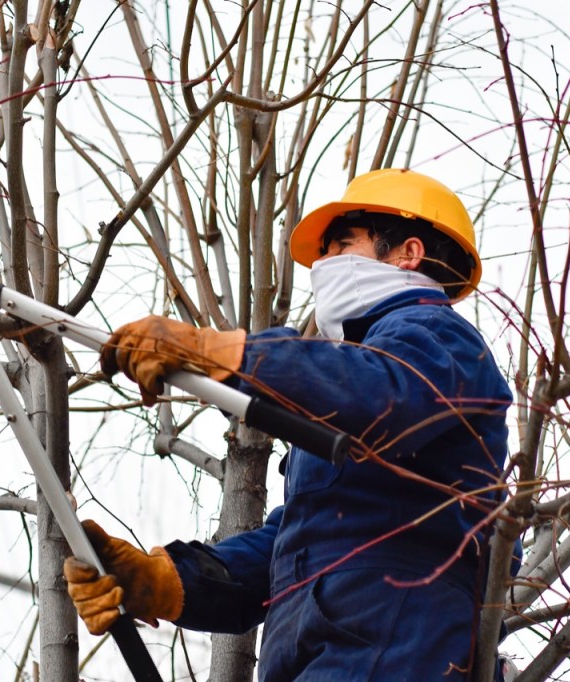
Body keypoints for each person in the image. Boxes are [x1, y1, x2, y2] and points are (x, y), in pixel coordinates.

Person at [64, 168, 517, 681]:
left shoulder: (439, 338)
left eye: (343, 244)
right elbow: (295, 545)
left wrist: (227, 354)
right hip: (324, 652)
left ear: (408, 253)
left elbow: (380, 394)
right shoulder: (352, 374)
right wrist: (165, 581)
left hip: (401, 642)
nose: (323, 265)